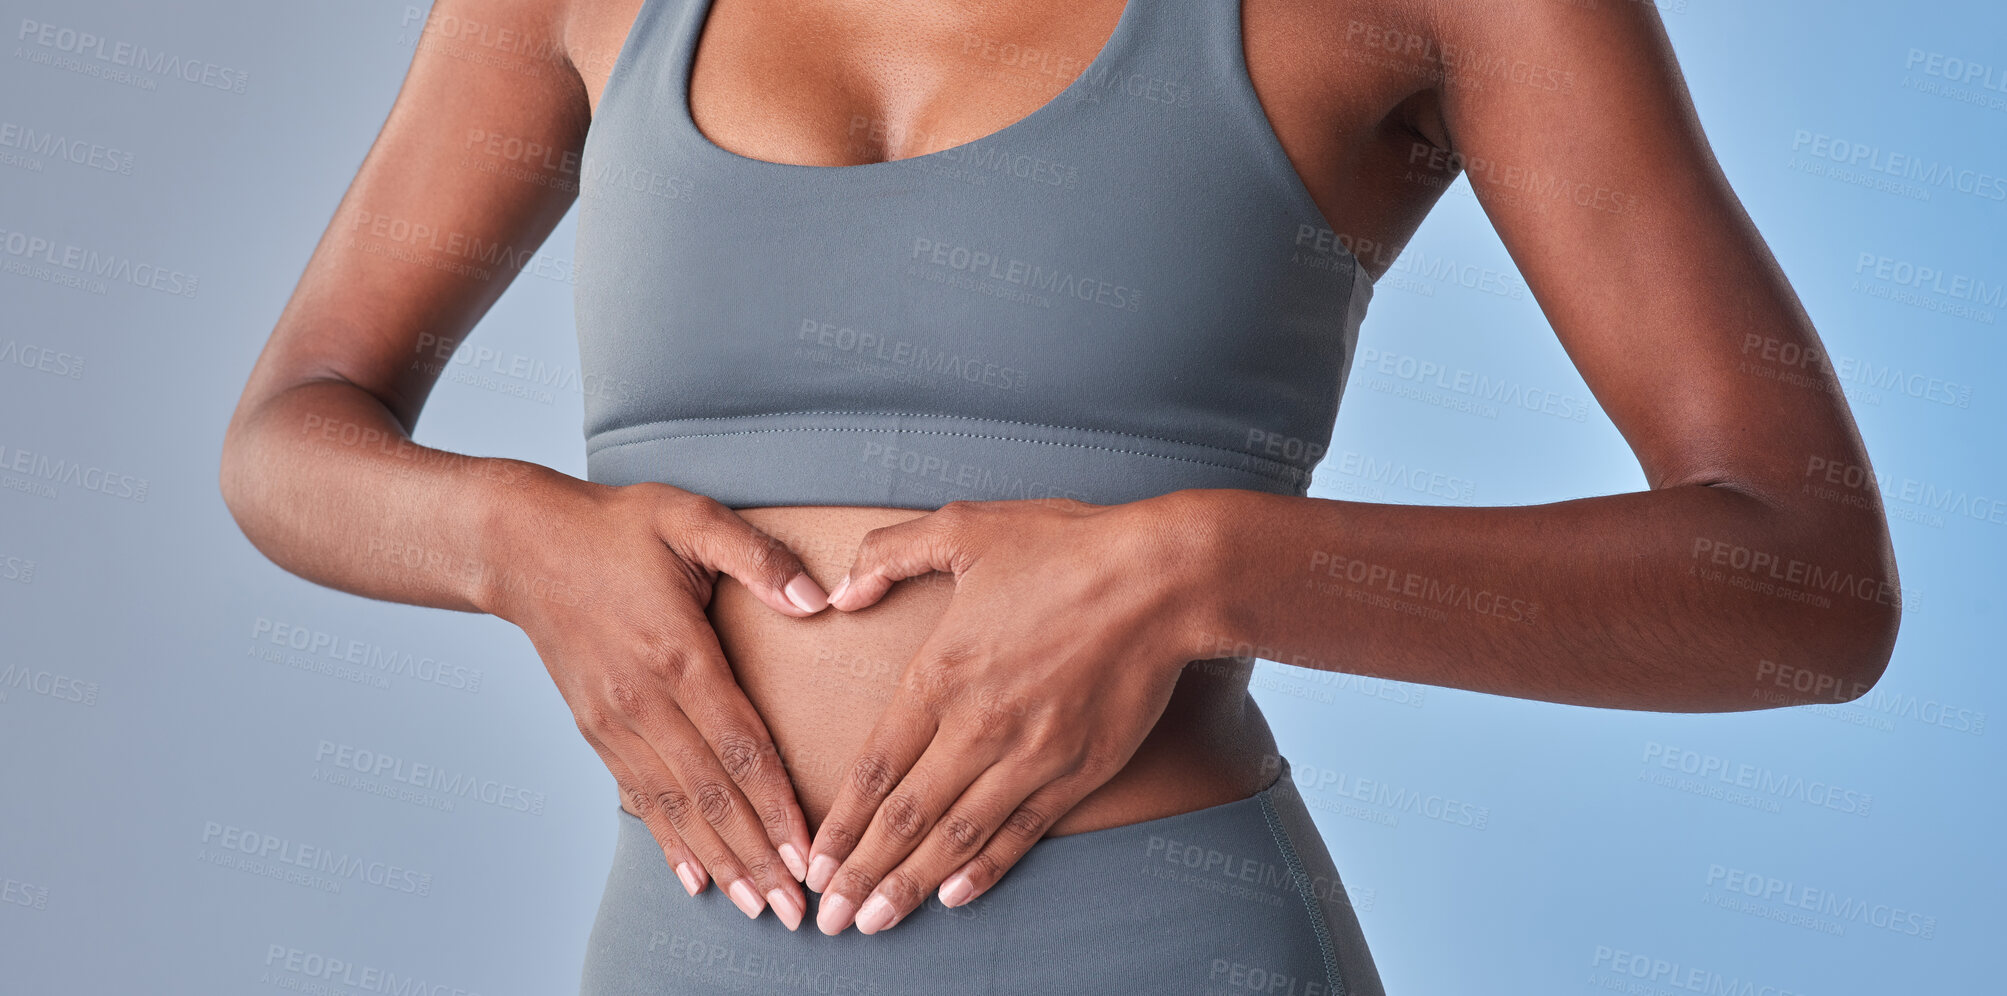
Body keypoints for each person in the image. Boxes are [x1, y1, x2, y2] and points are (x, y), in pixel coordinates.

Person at [220, 0, 1900, 991]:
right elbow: (292, 434)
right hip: (683, 954)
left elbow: (1800, 578)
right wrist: (519, 544)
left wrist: (1196, 568)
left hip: (1151, 949)